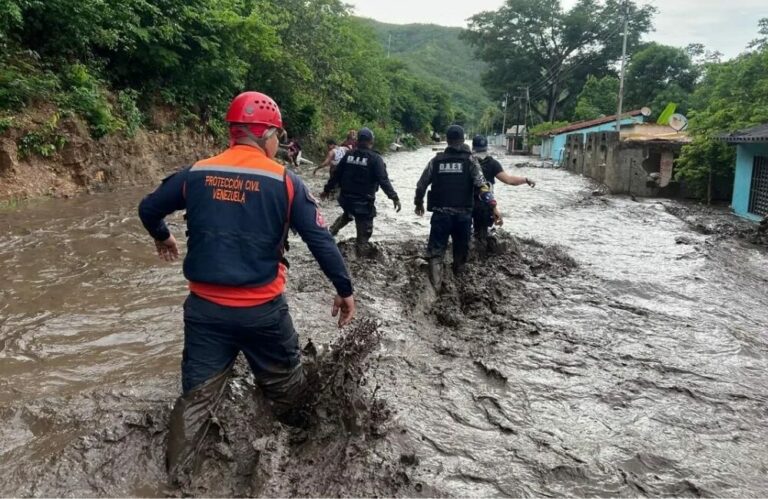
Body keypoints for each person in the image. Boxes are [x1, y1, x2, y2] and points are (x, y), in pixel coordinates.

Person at [137, 91, 355, 478]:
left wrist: (162, 235)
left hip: (205, 312)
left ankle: (174, 480)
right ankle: (303, 464)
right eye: (279, 135)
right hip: (263, 313)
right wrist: (344, 289)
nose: (280, 142)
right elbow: (321, 240)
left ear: (235, 133)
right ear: (266, 133)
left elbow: (149, 207)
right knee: (289, 392)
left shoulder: (196, 173)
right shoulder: (285, 181)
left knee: (196, 402)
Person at [415, 125, 495, 290]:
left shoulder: (436, 161)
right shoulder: (471, 160)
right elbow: (482, 186)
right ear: (463, 140)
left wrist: (419, 203)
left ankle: (435, 289)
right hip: (463, 216)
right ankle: (458, 289)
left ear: (447, 140)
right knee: (461, 253)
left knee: (436, 253)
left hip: (441, 215)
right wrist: (492, 206)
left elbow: (422, 184)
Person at [321, 127, 401, 255]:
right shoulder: (375, 159)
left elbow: (336, 175)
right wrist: (394, 197)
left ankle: (329, 234)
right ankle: (361, 257)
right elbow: (383, 180)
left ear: (357, 141)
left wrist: (326, 190)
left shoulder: (348, 155)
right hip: (364, 203)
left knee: (348, 212)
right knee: (363, 238)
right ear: (371, 141)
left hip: (345, 199)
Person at [471, 134, 536, 255]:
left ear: (472, 148)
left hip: (465, 205)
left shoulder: (467, 162)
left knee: (465, 235)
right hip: (485, 205)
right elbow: (509, 180)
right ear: (486, 148)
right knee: (482, 235)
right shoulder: (492, 163)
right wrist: (526, 179)